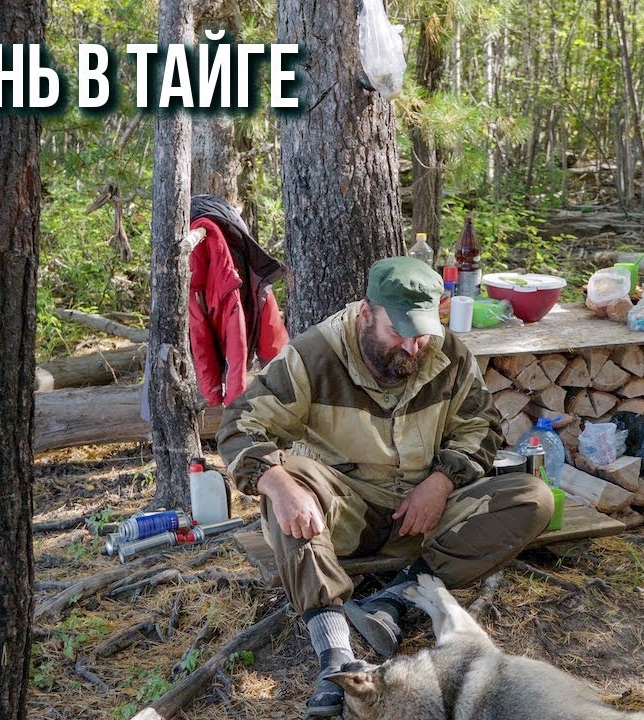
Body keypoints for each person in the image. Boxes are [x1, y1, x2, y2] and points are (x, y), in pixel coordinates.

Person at [217, 256, 553, 717]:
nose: (411, 347)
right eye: (398, 331)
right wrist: (276, 482)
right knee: (286, 490)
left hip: (424, 511)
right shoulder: (315, 355)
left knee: (532, 498)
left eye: (420, 333)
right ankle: (336, 655)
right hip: (342, 509)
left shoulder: (447, 353)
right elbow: (239, 425)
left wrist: (441, 481)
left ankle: (395, 599)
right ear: (365, 314)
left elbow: (481, 425)